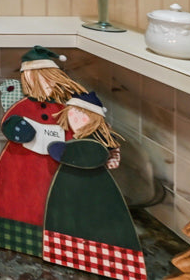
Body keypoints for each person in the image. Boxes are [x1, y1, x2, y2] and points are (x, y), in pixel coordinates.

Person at [0, 46, 88, 257]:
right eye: (32, 81)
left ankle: (56, 242)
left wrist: (69, 149)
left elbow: (76, 132)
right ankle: (7, 233)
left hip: (52, 170)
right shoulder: (24, 105)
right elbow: (10, 121)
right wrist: (18, 128)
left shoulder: (66, 109)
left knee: (48, 203)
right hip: (20, 164)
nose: (39, 85)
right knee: (15, 198)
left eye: (43, 79)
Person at [42, 92, 147, 280]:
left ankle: (110, 261)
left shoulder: (96, 139)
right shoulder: (79, 137)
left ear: (93, 117)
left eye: (80, 114)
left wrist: (62, 152)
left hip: (94, 187)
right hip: (73, 188)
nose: (74, 119)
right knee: (73, 217)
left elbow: (91, 155)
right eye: (71, 113)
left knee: (94, 218)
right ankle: (66, 252)